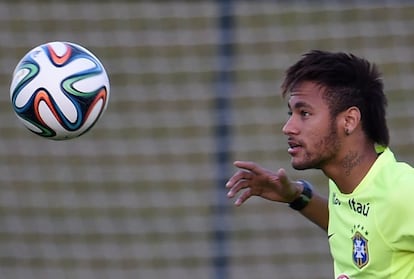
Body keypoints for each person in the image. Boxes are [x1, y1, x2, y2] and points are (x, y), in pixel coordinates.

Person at [225, 50, 414, 279]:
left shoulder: (403, 192)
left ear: (349, 121)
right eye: (291, 113)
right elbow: (363, 227)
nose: (288, 127)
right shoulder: (351, 182)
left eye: (304, 113)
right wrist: (296, 196)